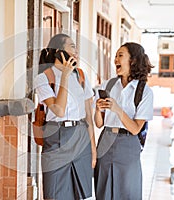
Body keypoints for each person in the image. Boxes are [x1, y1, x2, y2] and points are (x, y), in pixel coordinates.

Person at [33, 33, 96, 200]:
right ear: (60, 51)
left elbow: (88, 114)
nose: (76, 51)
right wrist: (65, 77)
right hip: (56, 138)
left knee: (81, 194)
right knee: (55, 194)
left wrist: (93, 149)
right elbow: (59, 110)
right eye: (72, 46)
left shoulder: (81, 75)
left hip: (81, 136)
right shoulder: (43, 78)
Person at [93, 42, 154, 199]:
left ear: (133, 60)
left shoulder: (144, 91)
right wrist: (98, 110)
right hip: (105, 140)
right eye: (115, 56)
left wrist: (117, 110)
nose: (115, 60)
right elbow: (99, 123)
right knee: (103, 189)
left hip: (128, 143)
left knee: (128, 191)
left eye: (120, 55)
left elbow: (135, 129)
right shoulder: (109, 84)